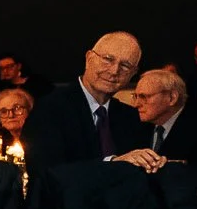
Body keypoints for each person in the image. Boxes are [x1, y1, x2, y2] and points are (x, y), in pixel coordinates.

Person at [24, 32, 150, 169]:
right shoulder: (49, 109)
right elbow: (49, 174)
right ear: (89, 58)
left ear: (133, 73)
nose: (114, 71)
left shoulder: (130, 117)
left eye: (125, 66)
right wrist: (112, 164)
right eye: (108, 59)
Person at [133, 64, 197, 185]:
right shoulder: (137, 127)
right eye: (135, 96)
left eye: (144, 97)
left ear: (172, 98)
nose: (136, 104)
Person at [0, 86, 34, 154]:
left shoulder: (41, 141)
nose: (11, 115)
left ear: (29, 110)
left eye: (17, 108)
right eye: (4, 111)